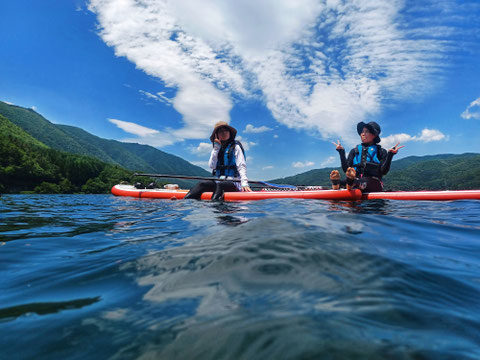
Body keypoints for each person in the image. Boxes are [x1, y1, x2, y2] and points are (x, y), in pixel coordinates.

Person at [184, 121, 252, 200]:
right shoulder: (216, 148)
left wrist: (244, 183)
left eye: (226, 130)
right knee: (202, 184)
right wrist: (216, 149)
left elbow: (241, 166)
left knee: (220, 185)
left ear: (229, 133)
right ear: (217, 135)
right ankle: (184, 203)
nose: (224, 133)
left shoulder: (235, 147)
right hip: (218, 181)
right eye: (220, 131)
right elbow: (212, 166)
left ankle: (214, 209)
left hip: (234, 182)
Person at [330, 121, 404, 192]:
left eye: (366, 131)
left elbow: (383, 171)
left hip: (373, 183)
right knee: (346, 181)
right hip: (356, 179)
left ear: (374, 135)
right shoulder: (354, 151)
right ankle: (344, 184)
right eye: (362, 131)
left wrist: (390, 155)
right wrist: (341, 152)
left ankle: (346, 185)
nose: (363, 134)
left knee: (360, 183)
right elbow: (346, 169)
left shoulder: (380, 151)